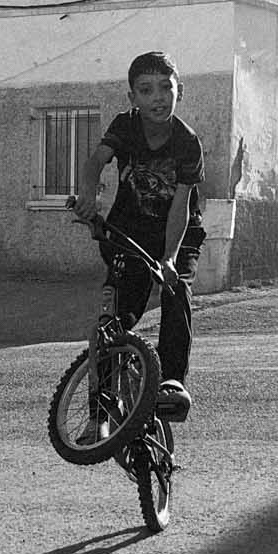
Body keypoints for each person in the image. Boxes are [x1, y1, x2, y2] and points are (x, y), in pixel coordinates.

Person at [71, 49, 205, 415]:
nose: (157, 97)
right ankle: (100, 409)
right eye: (145, 90)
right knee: (115, 316)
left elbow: (180, 206)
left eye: (165, 87)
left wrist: (169, 260)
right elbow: (97, 161)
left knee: (175, 289)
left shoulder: (187, 142)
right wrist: (87, 196)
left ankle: (170, 381)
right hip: (129, 228)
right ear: (132, 98)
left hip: (177, 233)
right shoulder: (125, 125)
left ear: (181, 91)